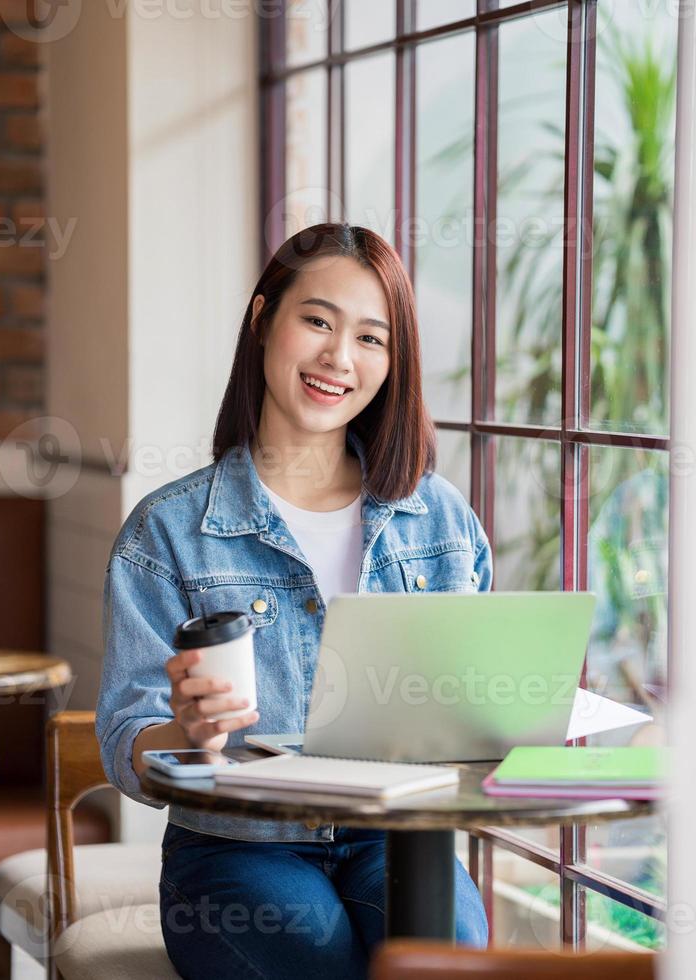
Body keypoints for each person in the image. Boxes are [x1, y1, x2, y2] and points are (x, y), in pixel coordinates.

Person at [97, 223, 491, 978]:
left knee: (445, 954)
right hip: (235, 849)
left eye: (371, 338)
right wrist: (184, 731)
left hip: (397, 835)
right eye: (317, 321)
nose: (339, 359)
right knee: (318, 955)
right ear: (262, 320)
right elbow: (127, 740)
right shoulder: (167, 530)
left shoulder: (441, 523)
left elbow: (470, 713)